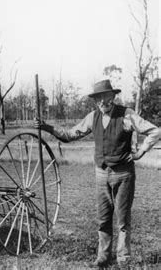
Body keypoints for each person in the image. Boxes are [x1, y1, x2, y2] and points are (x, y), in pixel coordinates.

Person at [34, 79, 160, 268]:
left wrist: (141, 152)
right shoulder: (93, 117)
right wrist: (46, 127)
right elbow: (69, 135)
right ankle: (103, 256)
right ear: (95, 100)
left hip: (123, 174)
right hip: (101, 174)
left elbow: (154, 131)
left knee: (123, 219)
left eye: (106, 97)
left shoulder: (126, 115)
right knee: (103, 218)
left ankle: (123, 259)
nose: (102, 102)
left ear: (113, 97)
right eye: (98, 98)